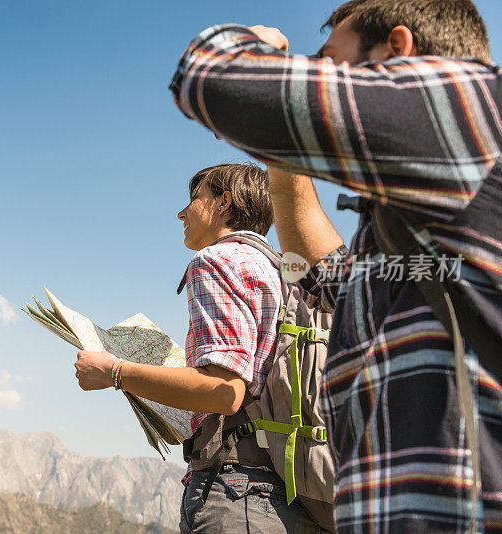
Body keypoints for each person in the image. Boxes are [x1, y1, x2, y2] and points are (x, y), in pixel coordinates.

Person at [169, 0, 502, 532]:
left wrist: (261, 49)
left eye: (331, 61)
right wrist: (281, 146)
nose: (321, 77)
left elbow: (208, 77)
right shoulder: (428, 232)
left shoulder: (469, 103)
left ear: (399, 51)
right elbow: (322, 271)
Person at [74, 163, 323, 532]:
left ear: (224, 203)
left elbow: (224, 392)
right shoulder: (293, 277)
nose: (182, 212)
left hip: (241, 494)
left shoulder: (216, 261)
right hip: (298, 490)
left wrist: (115, 372)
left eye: (194, 198)